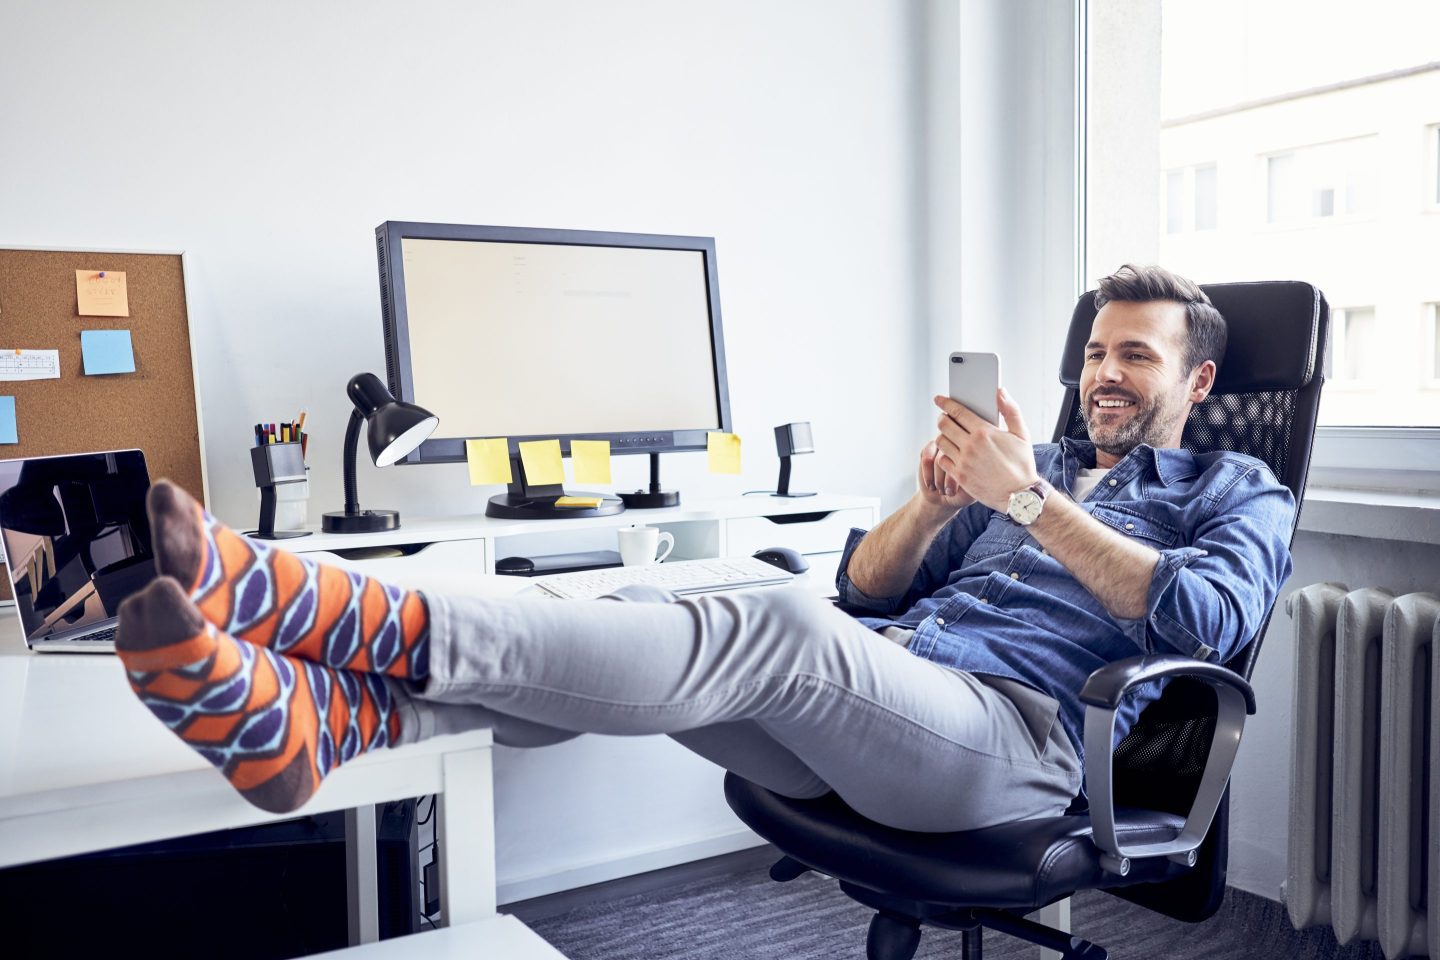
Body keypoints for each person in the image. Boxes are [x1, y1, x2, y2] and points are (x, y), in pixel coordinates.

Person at [114, 264, 1294, 833]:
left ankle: (314, 606)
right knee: (681, 615)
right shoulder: (1021, 471)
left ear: (1196, 380)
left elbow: (1205, 627)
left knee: (768, 628)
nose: (1102, 372)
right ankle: (322, 725)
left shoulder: (1236, 489)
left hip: (1026, 749)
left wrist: (1030, 503)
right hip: (895, 699)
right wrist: (941, 504)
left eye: (1135, 355)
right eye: (1096, 349)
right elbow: (860, 586)